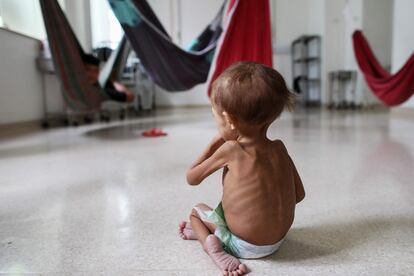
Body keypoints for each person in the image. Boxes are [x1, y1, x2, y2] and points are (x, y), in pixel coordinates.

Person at [178, 62, 305, 275]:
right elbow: (299, 195)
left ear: (229, 120)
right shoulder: (279, 148)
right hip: (279, 240)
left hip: (246, 246)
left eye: (216, 118)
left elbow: (192, 178)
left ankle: (213, 245)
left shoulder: (231, 150)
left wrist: (213, 144)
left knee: (196, 212)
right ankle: (215, 233)